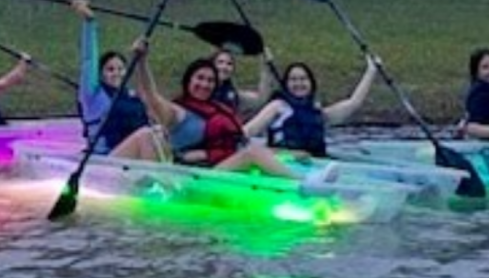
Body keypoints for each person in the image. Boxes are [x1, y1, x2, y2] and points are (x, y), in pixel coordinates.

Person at [107, 39, 339, 184]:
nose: (205, 84)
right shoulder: (176, 112)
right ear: (189, 81)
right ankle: (306, 183)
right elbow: (149, 93)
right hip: (190, 178)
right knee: (252, 155)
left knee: (255, 150)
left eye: (209, 80)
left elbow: (237, 141)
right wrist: (141, 61)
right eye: (199, 78)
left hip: (214, 169)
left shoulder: (217, 109)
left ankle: (293, 177)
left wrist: (283, 154)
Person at [243, 57, 378, 157]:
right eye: (293, 80)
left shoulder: (317, 111)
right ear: (286, 84)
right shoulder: (278, 106)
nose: (299, 84)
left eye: (303, 79)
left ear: (311, 83)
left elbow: (353, 103)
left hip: (315, 163)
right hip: (285, 162)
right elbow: (249, 130)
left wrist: (371, 71)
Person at [71, 0, 149, 153]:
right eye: (110, 69)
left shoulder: (130, 96)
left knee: (156, 133)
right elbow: (88, 60)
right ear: (100, 74)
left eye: (121, 69)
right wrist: (89, 21)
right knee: (146, 135)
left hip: (134, 156)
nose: (117, 73)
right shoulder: (92, 95)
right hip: (105, 159)